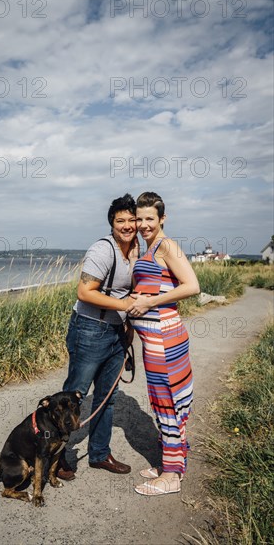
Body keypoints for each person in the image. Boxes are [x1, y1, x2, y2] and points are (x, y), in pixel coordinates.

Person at [58, 193, 139, 480]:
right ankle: (58, 457)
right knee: (73, 396)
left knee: (108, 397)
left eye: (132, 220)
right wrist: (125, 306)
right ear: (112, 223)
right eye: (121, 221)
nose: (127, 225)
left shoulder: (137, 249)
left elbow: (127, 291)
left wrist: (127, 326)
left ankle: (100, 454)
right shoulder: (103, 250)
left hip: (117, 333)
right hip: (90, 330)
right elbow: (84, 292)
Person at [126, 191, 200, 496]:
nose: (143, 224)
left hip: (165, 339)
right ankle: (171, 461)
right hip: (154, 339)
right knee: (162, 401)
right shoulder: (149, 247)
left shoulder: (167, 245)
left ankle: (170, 476)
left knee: (168, 402)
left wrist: (150, 303)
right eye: (139, 218)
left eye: (149, 219)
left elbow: (192, 286)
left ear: (162, 219)